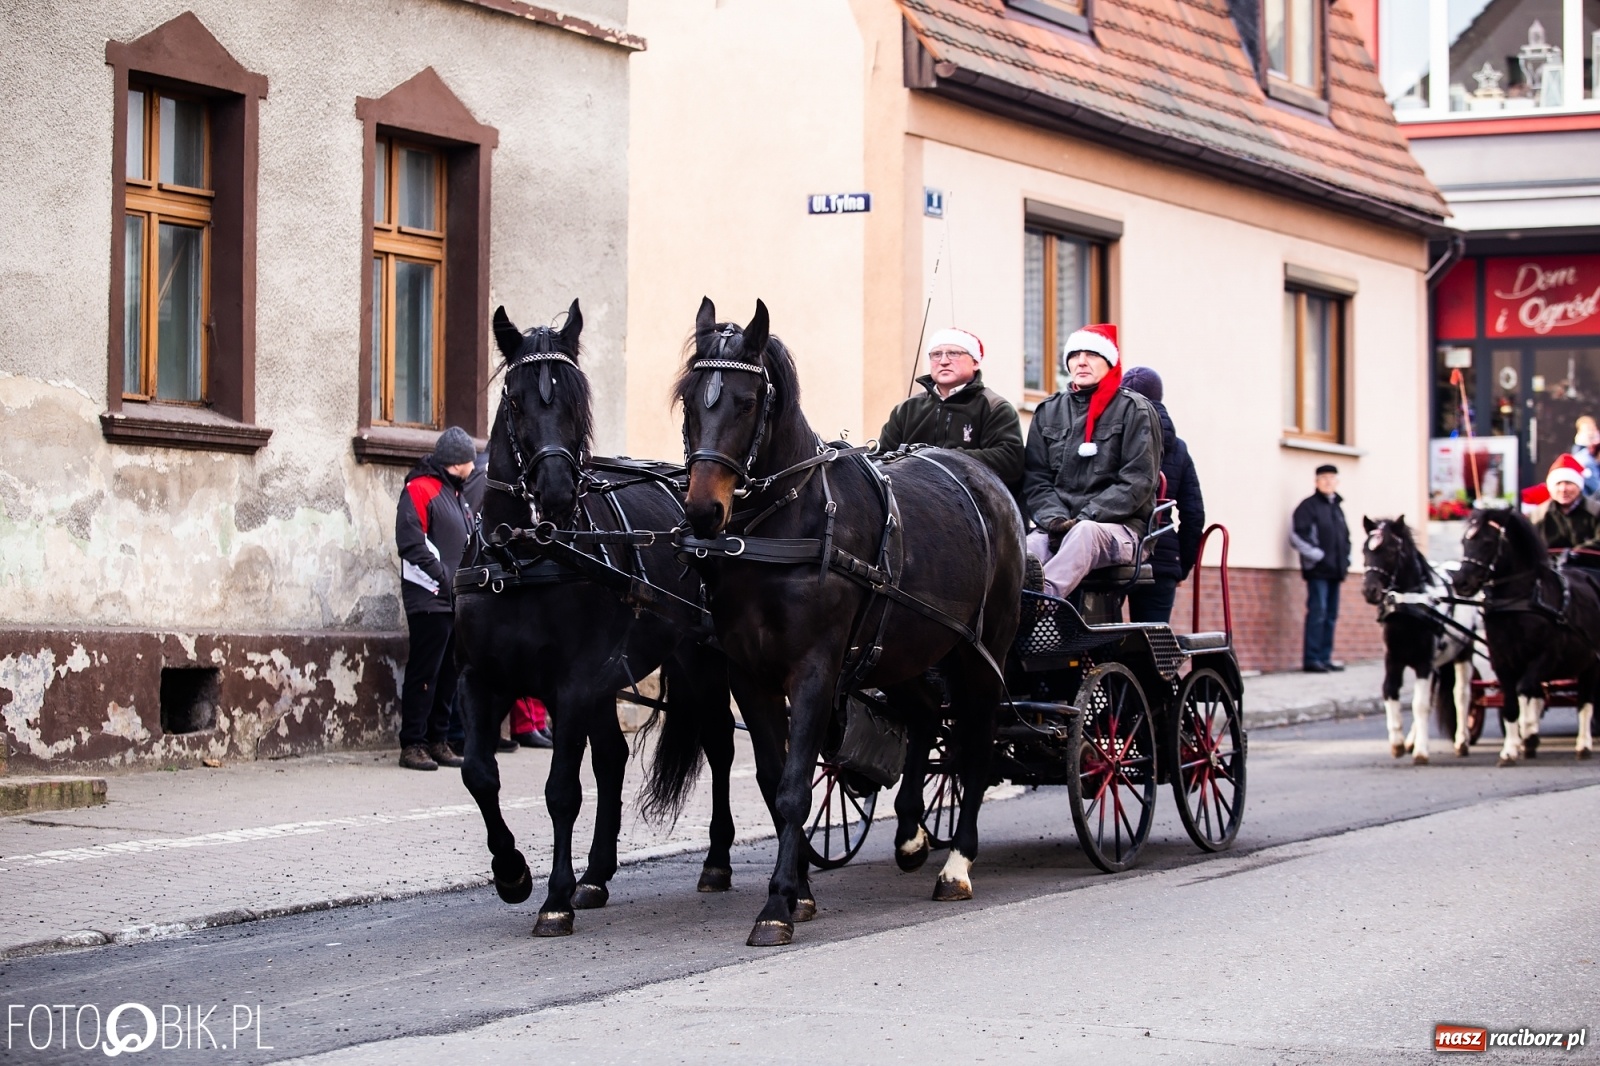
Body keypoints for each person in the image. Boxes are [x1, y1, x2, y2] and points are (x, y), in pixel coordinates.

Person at [1021, 323, 1161, 599]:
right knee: (1025, 549)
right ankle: (1003, 611)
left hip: (1123, 530)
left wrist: (1084, 517)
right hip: (1057, 526)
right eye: (1074, 355)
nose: (1081, 361)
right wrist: (1056, 520)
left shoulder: (1136, 409)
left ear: (1109, 362)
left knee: (1084, 533)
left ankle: (1041, 604)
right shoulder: (1049, 410)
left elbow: (1138, 480)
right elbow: (1036, 479)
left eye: (1092, 355)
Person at [395, 427, 477, 771]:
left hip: (454, 599)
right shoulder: (419, 489)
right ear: (458, 463)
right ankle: (413, 743)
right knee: (424, 673)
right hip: (429, 598)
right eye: (470, 459)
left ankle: (437, 740)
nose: (474, 465)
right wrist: (447, 580)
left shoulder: (455, 493)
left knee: (448, 675)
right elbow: (412, 544)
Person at [877, 328, 1024, 490]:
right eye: (936, 354)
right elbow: (880, 457)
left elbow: (1010, 462)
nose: (944, 361)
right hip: (909, 503)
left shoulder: (994, 407)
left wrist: (942, 457)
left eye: (954, 353)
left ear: (975, 362)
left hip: (973, 505)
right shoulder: (906, 409)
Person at [1120, 367, 1205, 624]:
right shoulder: (1178, 449)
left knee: (1102, 637)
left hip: (1117, 551)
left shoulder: (1114, 436)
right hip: (1163, 556)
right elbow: (1193, 515)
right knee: (1153, 643)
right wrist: (1182, 565)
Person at [1290, 464, 1351, 673]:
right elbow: (1297, 536)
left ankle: (1325, 658)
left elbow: (1345, 538)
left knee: (1331, 615)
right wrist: (1318, 557)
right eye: (1323, 478)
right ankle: (1312, 659)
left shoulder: (1337, 508)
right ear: (1316, 481)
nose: (1328, 482)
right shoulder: (1308, 506)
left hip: (1336, 570)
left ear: (1337, 482)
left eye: (1332, 478)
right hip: (1318, 571)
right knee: (1318, 613)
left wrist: (1347, 559)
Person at [1531, 453, 1600, 561]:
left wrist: (1576, 553)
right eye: (1558, 484)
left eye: (1568, 483)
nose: (1563, 489)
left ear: (1579, 486)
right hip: (1549, 571)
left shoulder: (1595, 511)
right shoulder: (1537, 516)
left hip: (1589, 568)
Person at [1573, 416, 1600, 496]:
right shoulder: (1584, 460)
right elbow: (1596, 487)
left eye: (1592, 428)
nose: (1591, 432)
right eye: (1588, 429)